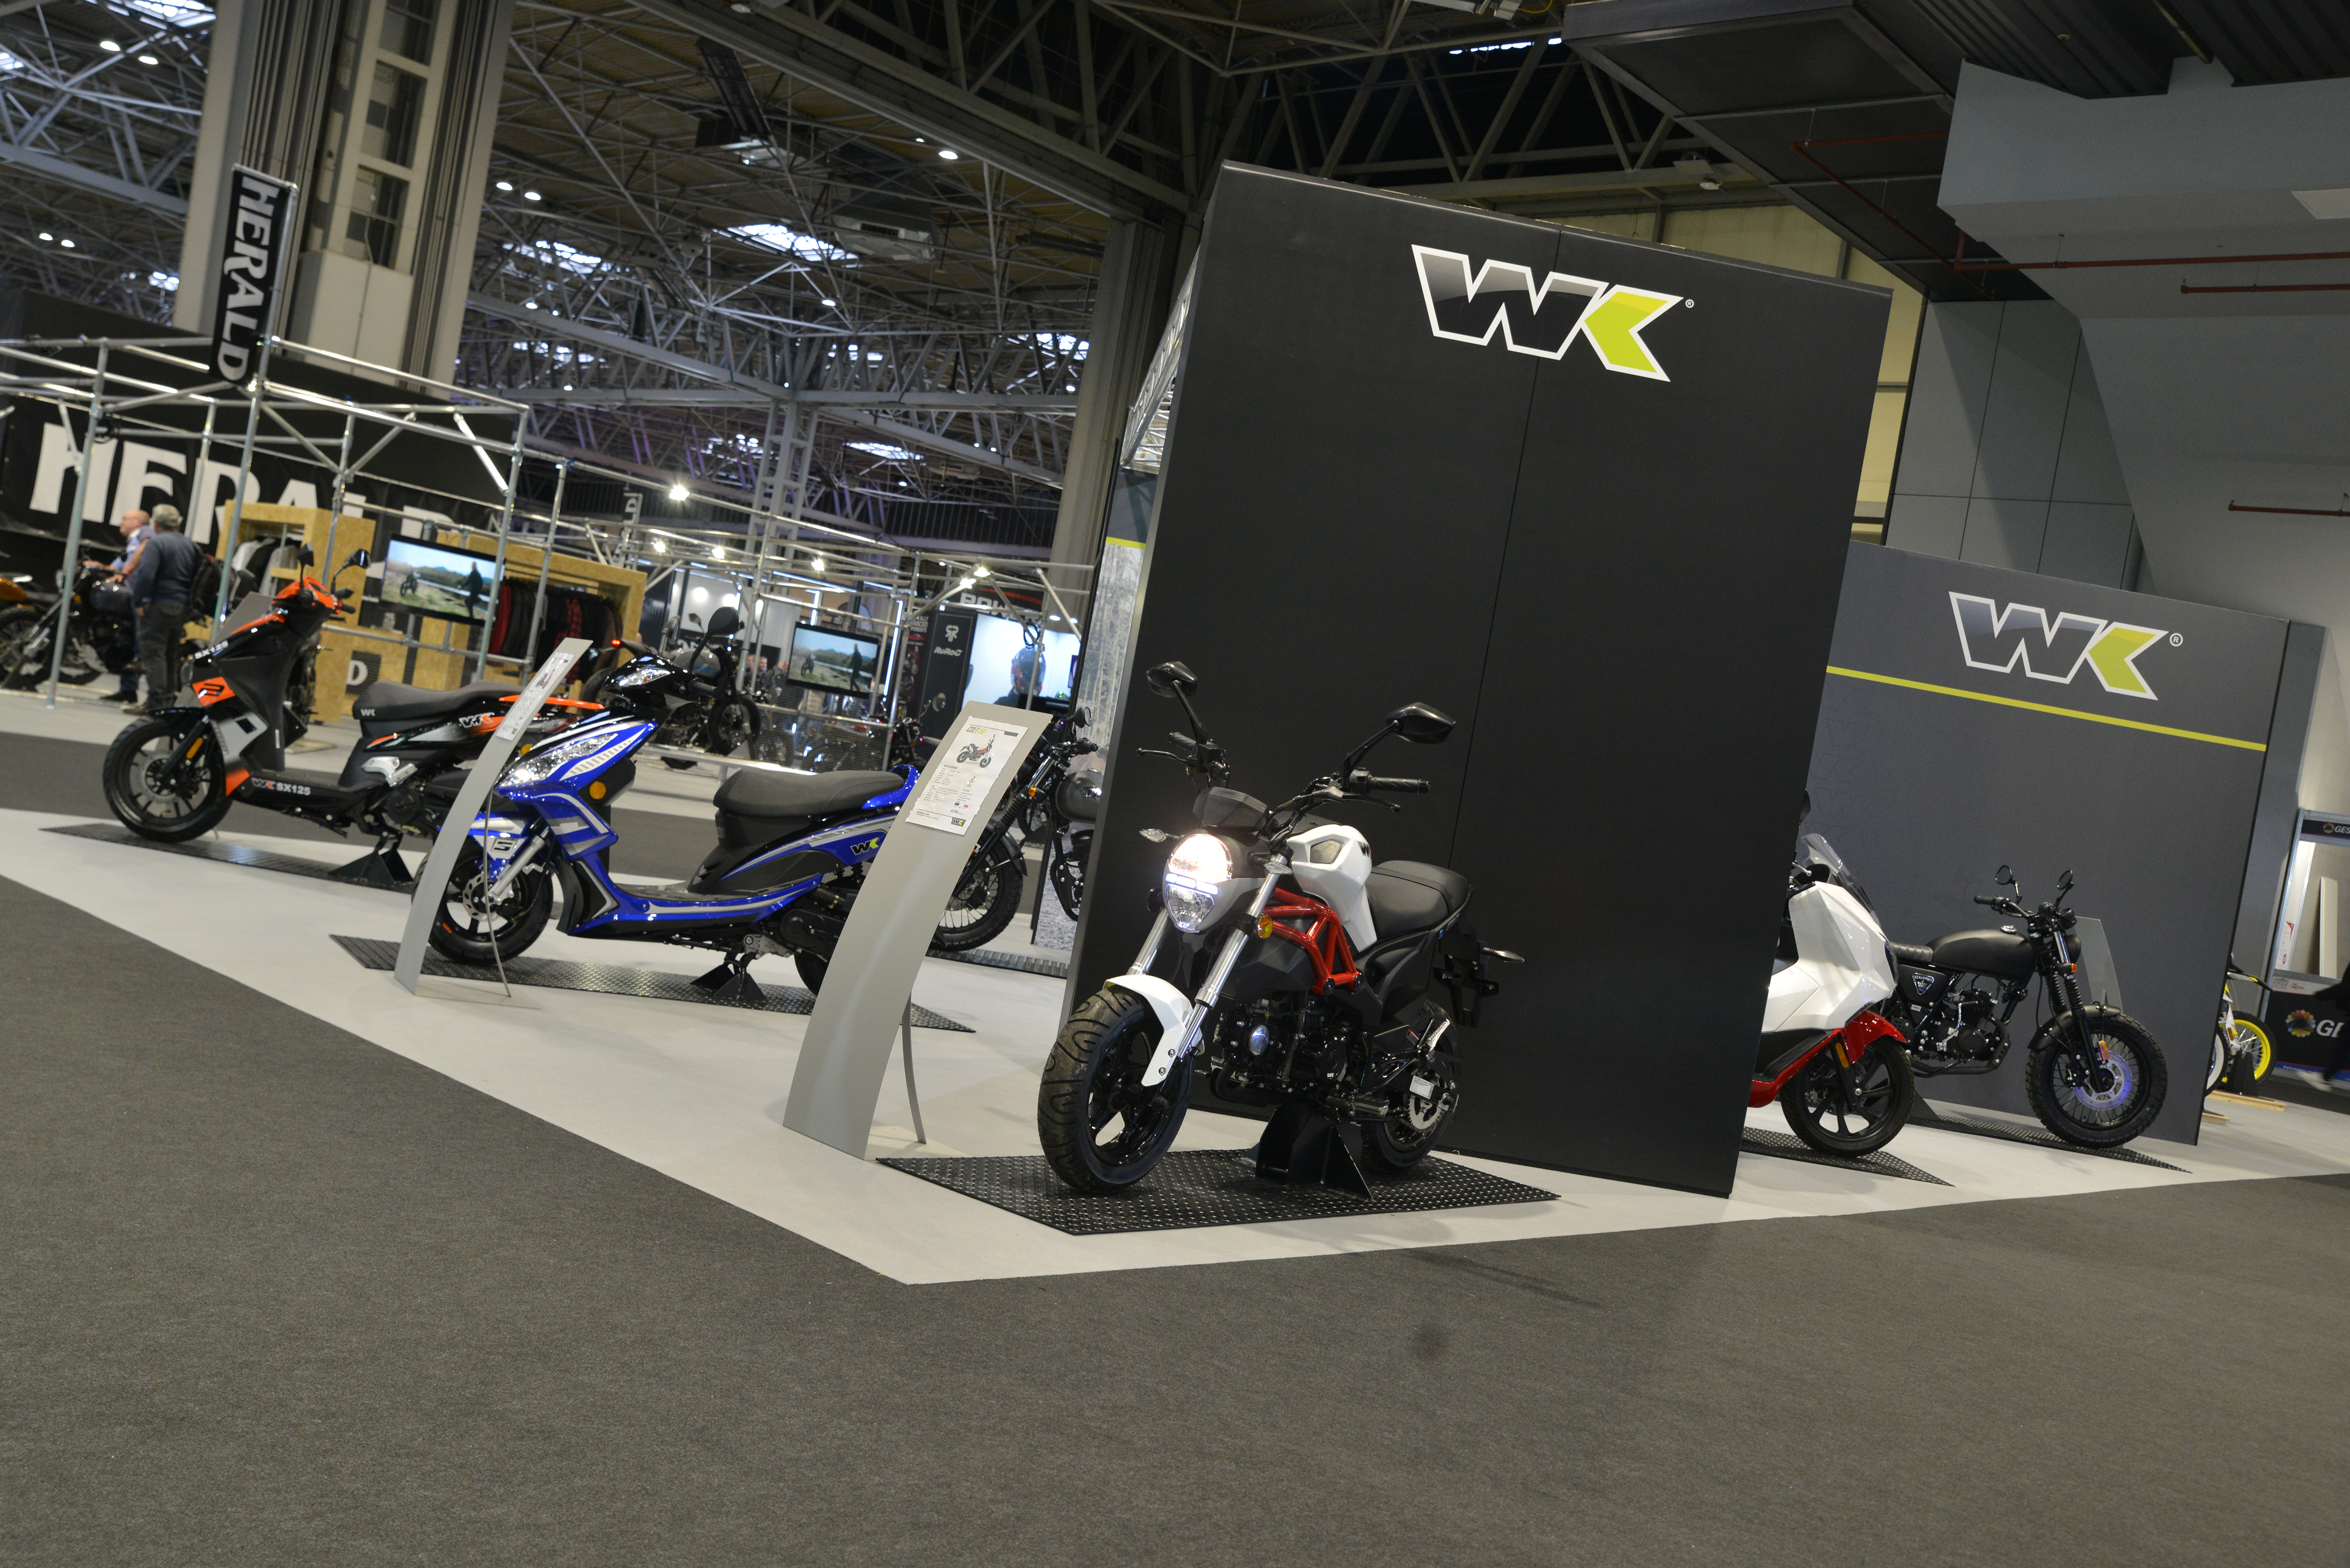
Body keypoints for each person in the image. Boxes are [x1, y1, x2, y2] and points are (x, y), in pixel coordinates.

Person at [123, 504, 199, 714]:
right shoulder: (190, 545)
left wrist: (138, 601)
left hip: (158, 605)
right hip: (181, 607)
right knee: (170, 655)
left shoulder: (156, 543)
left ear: (156, 523)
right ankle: (167, 702)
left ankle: (156, 702)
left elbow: (146, 575)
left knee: (153, 655)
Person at [102, 508, 152, 702]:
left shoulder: (146, 532)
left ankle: (151, 697)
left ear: (138, 522)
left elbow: (146, 546)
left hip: (139, 597)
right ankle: (128, 689)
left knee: (139, 645)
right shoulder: (132, 543)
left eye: (125, 519)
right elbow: (115, 567)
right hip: (128, 597)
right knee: (128, 640)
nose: (121, 522)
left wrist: (128, 571)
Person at [993, 642, 1043, 708]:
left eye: (1037, 674)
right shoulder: (1002, 705)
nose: (1034, 678)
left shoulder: (1043, 708)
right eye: (1030, 672)